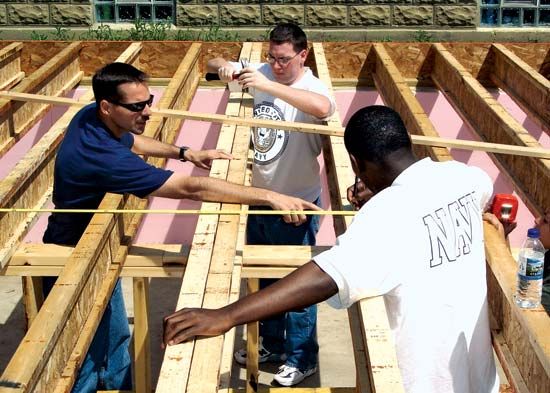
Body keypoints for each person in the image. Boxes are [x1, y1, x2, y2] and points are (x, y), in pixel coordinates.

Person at [163, 105, 500, 393]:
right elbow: (465, 197)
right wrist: (384, 192)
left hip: (421, 382)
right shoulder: (463, 177)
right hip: (479, 378)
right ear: (406, 141)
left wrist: (226, 315)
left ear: (356, 163)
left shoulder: (385, 215)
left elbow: (324, 275)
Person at [41, 62, 319, 393]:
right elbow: (193, 190)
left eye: (149, 101)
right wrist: (268, 196)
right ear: (107, 106)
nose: (147, 112)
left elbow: (131, 141)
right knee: (87, 363)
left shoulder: (91, 117)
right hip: (72, 260)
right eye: (136, 107)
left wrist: (185, 152)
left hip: (96, 246)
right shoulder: (100, 155)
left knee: (115, 344)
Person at [206, 22, 335, 386]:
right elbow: (212, 62)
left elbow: (323, 106)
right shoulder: (261, 71)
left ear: (303, 55)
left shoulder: (310, 86)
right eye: (271, 58)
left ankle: (302, 357)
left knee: (297, 288)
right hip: (263, 198)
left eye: (283, 59)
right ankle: (274, 345)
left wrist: (268, 85)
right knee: (266, 281)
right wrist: (226, 67)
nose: (276, 65)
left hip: (296, 204)